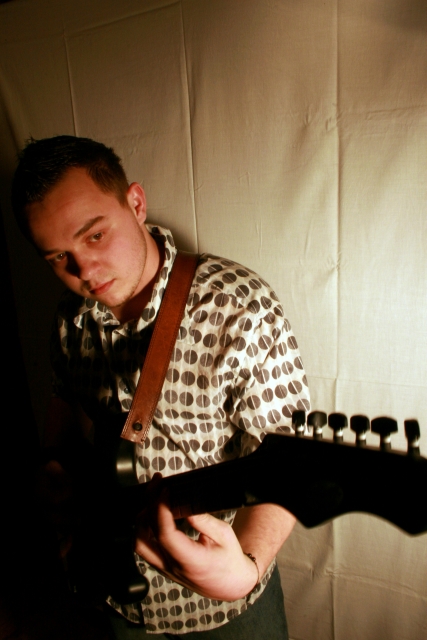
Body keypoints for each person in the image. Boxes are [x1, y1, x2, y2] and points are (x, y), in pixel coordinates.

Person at [11, 136, 310, 639]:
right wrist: (55, 469)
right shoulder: (69, 319)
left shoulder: (239, 307)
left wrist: (247, 568)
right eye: (58, 257)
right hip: (110, 596)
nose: (84, 271)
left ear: (135, 203)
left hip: (224, 613)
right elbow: (64, 405)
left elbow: (289, 453)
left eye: (95, 236)